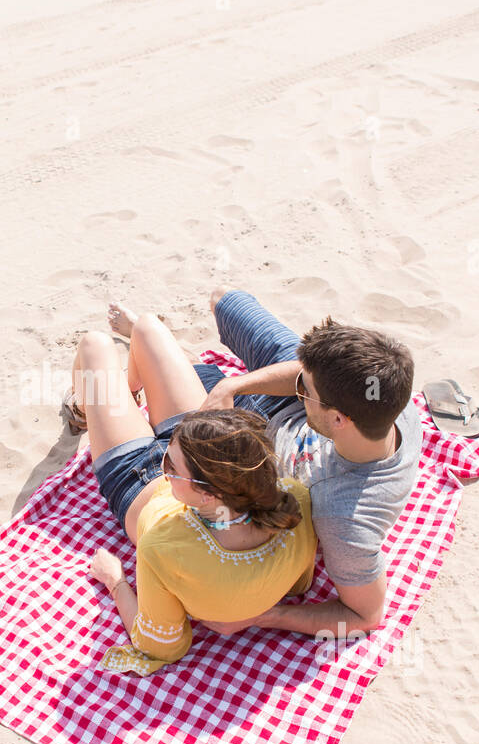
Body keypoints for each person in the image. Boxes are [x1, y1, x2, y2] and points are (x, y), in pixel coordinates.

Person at [63, 306, 318, 671]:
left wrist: (115, 580)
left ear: (207, 496)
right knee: (148, 327)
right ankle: (128, 396)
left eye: (168, 465)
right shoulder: (296, 498)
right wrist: (183, 453)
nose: (164, 462)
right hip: (196, 451)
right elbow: (298, 585)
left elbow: (161, 646)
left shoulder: (166, 547)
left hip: (134, 478)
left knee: (94, 345)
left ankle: (83, 406)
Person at [185, 287, 421, 639]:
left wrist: (265, 616)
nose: (300, 387)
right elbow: (301, 373)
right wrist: (235, 384)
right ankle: (213, 374)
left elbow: (364, 615)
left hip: (256, 430)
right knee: (224, 301)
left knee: (179, 371)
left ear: (339, 420)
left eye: (305, 390)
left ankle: (177, 361)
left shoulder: (345, 519)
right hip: (295, 408)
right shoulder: (384, 391)